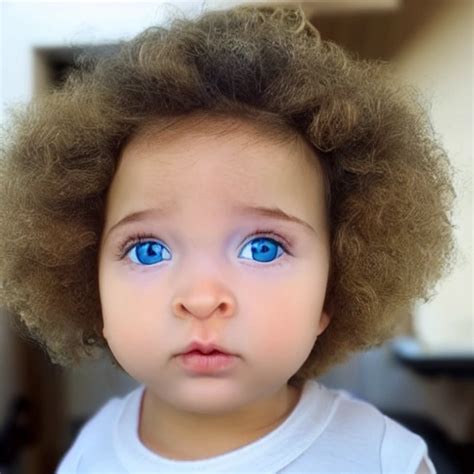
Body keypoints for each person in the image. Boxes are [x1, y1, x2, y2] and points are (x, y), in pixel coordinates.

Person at [0, 4, 457, 473]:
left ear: (333, 286)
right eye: (148, 249)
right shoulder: (87, 455)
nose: (201, 298)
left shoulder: (382, 460)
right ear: (87, 284)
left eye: (263, 248)